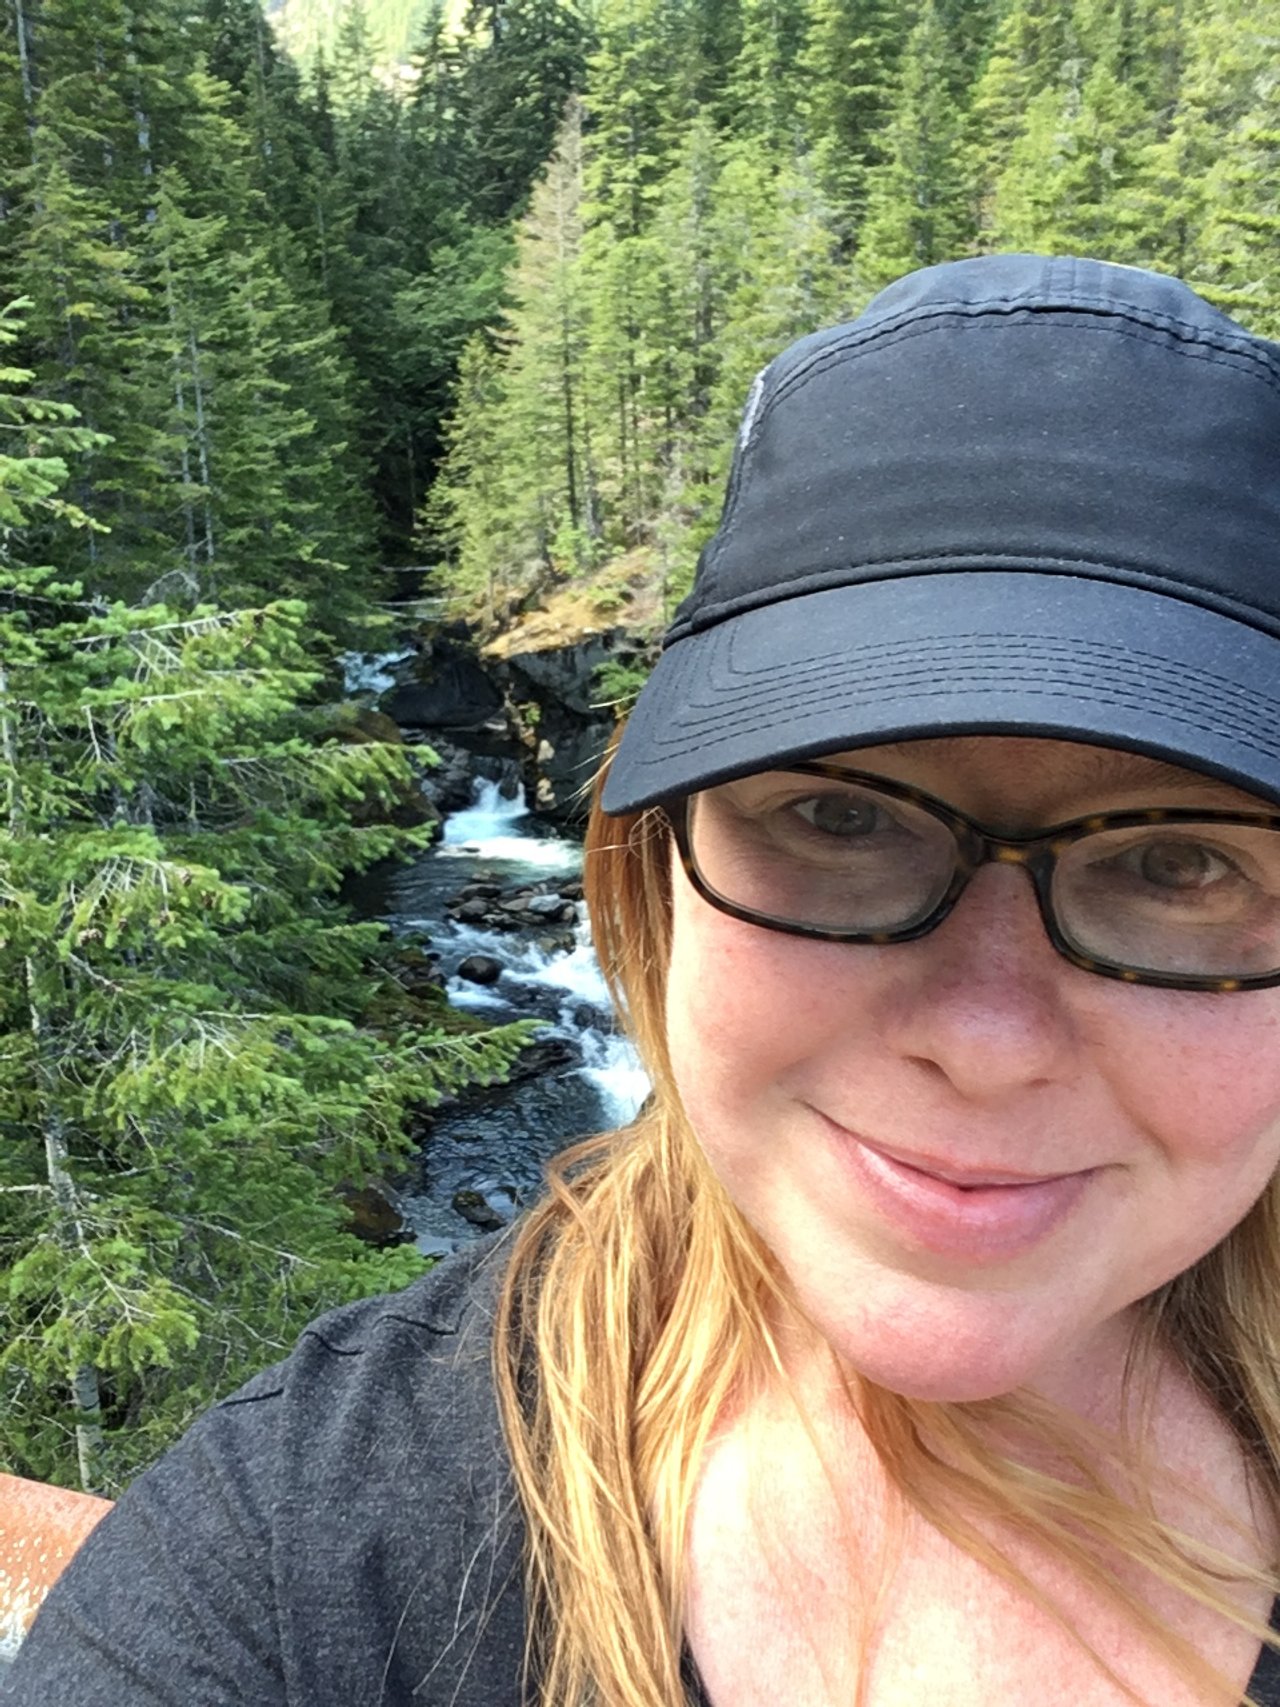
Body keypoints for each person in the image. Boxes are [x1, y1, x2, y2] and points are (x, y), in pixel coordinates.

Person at [8, 251, 1280, 1707]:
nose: (987, 1041)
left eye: (1182, 864)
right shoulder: (310, 1542)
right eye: (841, 819)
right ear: (648, 861)